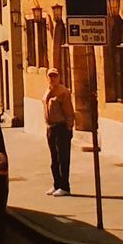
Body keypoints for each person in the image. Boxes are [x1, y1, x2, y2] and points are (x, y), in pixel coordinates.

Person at [43, 68, 74, 196]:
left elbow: (69, 112)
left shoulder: (63, 92)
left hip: (61, 127)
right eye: (50, 76)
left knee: (63, 158)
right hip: (51, 127)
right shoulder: (47, 91)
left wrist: (69, 128)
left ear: (59, 77)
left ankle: (65, 186)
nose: (52, 78)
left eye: (55, 76)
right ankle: (56, 184)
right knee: (54, 159)